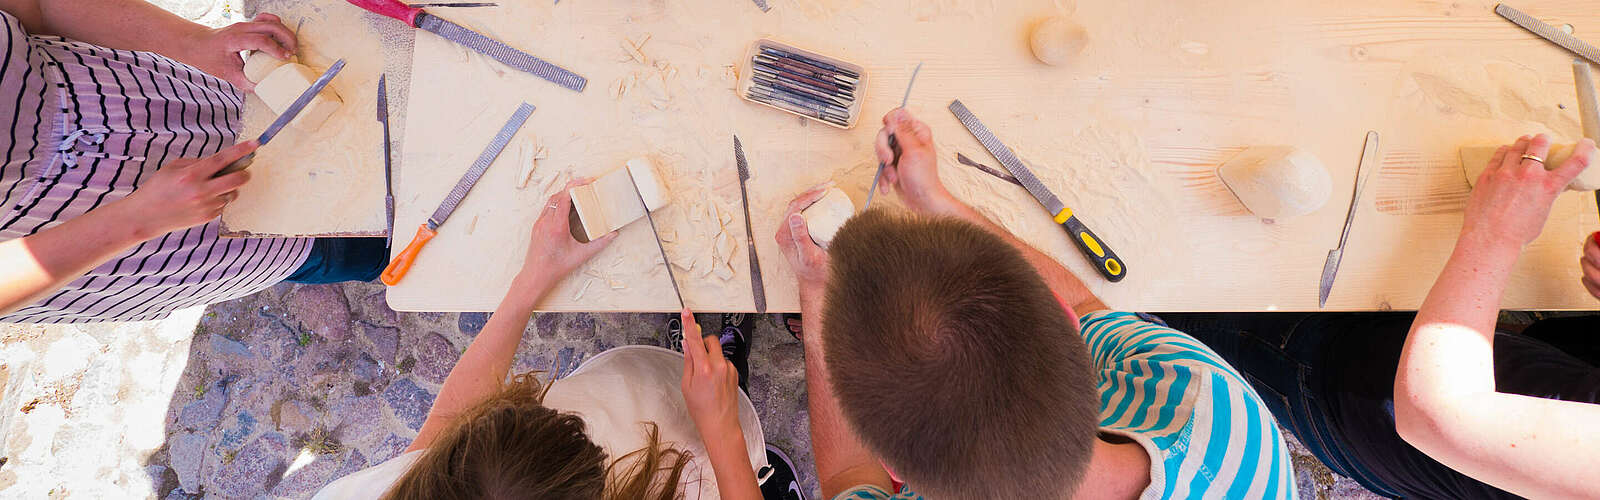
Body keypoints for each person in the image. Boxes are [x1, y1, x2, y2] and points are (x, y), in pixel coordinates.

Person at [773, 109, 1296, 499]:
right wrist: (937, 203)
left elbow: (848, 478)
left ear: (899, 470)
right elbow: (1087, 307)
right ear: (1064, 341)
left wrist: (818, 295)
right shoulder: (1205, 404)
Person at [313, 182, 799, 500]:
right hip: (707, 466)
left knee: (681, 376)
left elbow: (442, 430)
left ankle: (691, 365)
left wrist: (531, 281)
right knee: (728, 410)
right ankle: (751, 436)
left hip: (631, 393)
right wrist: (724, 436)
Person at [0, 0, 386, 323]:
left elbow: (36, 5)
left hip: (170, 96)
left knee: (371, 134)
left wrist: (194, 42)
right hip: (119, 238)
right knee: (349, 245)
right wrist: (137, 218)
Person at [1391, 134, 1600, 499]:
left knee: (1329, 356)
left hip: (1419, 428)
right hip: (1544, 371)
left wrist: (1497, 232)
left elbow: (1439, 418)